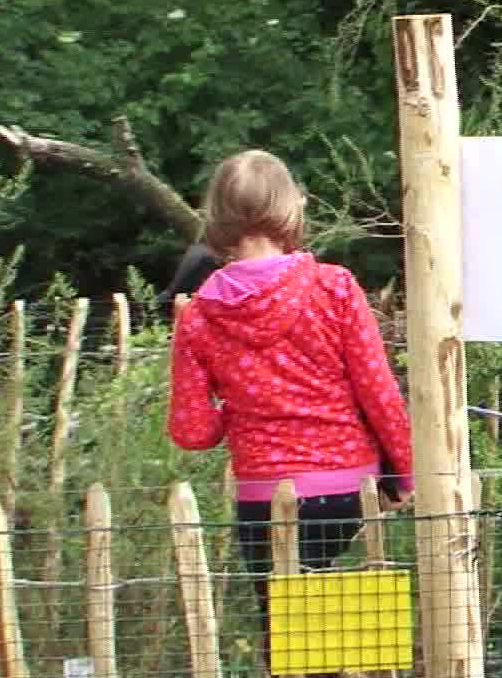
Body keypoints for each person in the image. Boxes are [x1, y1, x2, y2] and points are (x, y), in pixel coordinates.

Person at [167, 149, 414, 663]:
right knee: (350, 637)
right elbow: (379, 393)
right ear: (289, 208)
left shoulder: (200, 314)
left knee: (287, 642)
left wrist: (236, 409)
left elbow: (192, 430)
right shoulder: (335, 288)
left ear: (217, 216)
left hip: (263, 497)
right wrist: (404, 475)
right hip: (346, 489)